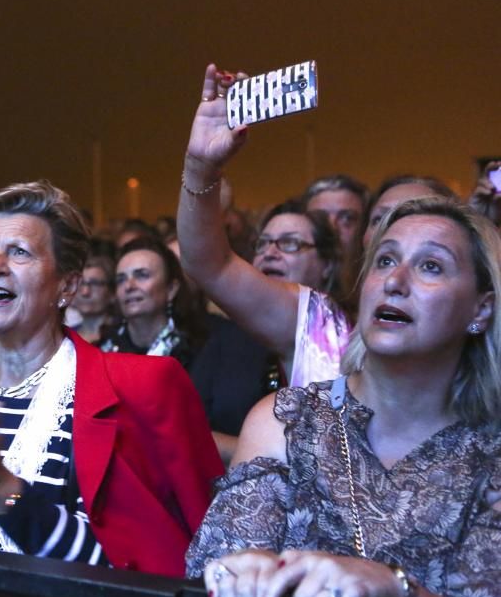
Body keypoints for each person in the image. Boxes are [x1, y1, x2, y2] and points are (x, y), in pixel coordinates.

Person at [0, 181, 223, 575]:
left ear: (67, 286)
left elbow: (127, 570)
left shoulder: (138, 390)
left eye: (18, 252)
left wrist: (5, 492)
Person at [186, 197, 501, 597]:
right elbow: (216, 575)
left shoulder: (491, 451)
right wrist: (246, 571)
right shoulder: (289, 420)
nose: (395, 281)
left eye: (431, 266)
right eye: (385, 260)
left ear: (481, 309)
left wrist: (396, 587)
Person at [176, 65, 453, 388]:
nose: (398, 233)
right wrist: (200, 166)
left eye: (418, 219)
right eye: (381, 220)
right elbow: (211, 265)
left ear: (482, 306)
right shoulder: (321, 325)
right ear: (366, 239)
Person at [99, 237, 206, 369]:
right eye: (121, 279)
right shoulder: (102, 351)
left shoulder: (200, 352)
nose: (129, 286)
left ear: (171, 289)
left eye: (142, 275)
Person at [68, 255, 115, 344]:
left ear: (112, 293)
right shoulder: (66, 336)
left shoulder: (122, 335)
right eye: (81, 283)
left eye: (94, 283)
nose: (85, 292)